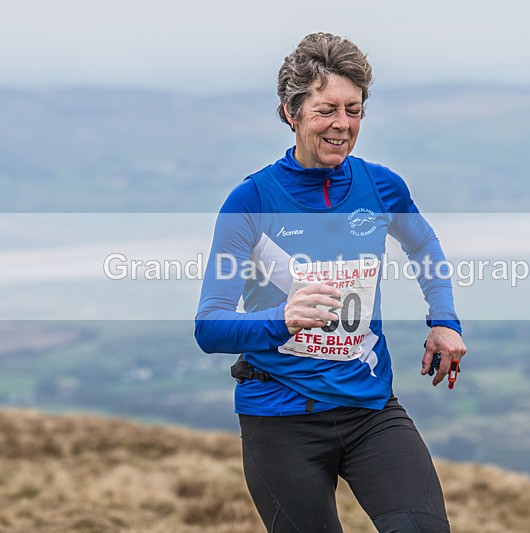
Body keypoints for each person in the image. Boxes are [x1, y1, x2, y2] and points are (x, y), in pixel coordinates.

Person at [195, 32, 467, 533]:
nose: (343, 124)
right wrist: (281, 320)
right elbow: (209, 326)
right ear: (290, 112)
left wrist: (444, 321)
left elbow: (425, 248)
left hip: (370, 409)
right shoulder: (250, 200)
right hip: (279, 418)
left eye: (354, 109)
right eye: (326, 110)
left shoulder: (380, 185)